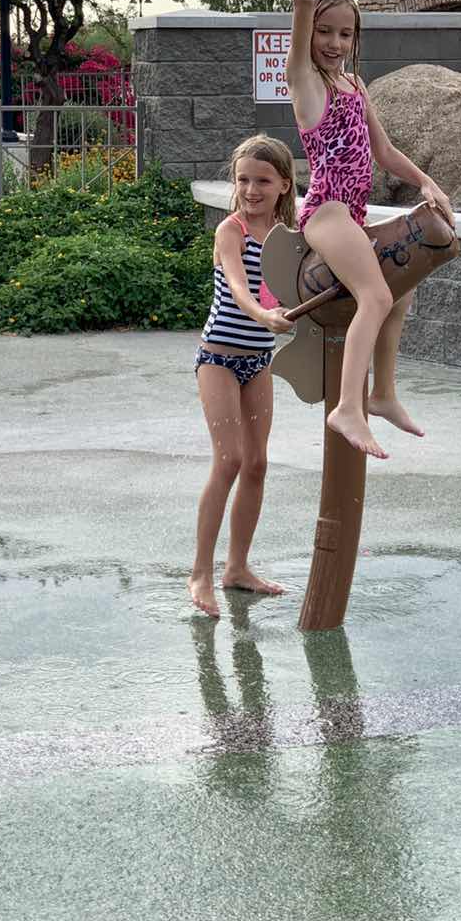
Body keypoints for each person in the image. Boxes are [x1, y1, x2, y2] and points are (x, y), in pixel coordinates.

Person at [285, 0, 455, 460]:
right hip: (326, 213)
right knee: (374, 297)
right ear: (309, 33)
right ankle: (348, 408)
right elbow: (302, 0)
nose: (334, 42)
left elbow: (383, 151)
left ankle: (382, 394)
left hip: (354, 214)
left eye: (345, 33)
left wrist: (426, 181)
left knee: (400, 291)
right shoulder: (306, 84)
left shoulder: (354, 85)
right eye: (324, 31)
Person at [188, 135, 296, 619]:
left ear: (284, 185)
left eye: (263, 181)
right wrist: (264, 316)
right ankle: (200, 573)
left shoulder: (288, 236)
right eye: (244, 179)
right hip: (218, 358)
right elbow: (237, 286)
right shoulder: (230, 230)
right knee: (229, 460)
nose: (251, 189)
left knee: (256, 464)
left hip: (258, 362)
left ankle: (237, 569)